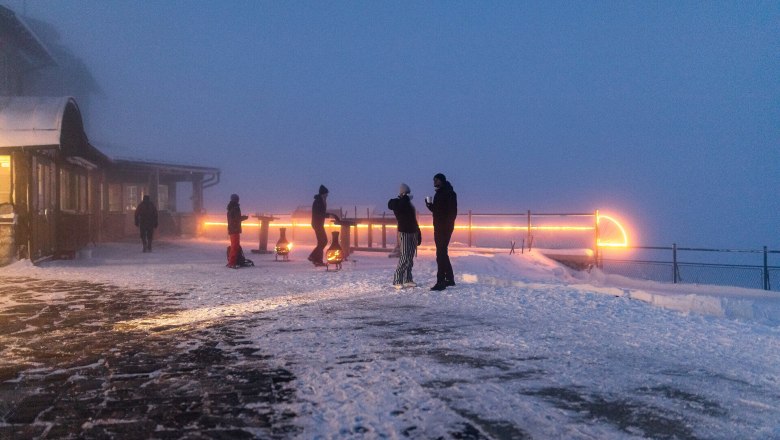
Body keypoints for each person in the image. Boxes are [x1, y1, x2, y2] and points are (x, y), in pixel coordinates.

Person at [425, 173, 457, 291]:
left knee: (440, 254)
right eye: (433, 180)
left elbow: (452, 212)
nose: (434, 182)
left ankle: (441, 282)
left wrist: (447, 226)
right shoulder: (439, 193)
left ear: (441, 180)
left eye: (436, 180)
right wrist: (429, 205)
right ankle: (449, 278)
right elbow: (438, 211)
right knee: (442, 253)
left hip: (444, 228)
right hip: (439, 227)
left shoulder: (449, 193)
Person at [388, 183, 422, 289]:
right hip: (404, 232)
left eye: (409, 193)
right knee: (404, 256)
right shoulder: (397, 203)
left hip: (413, 232)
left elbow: (414, 220)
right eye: (406, 193)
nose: (408, 195)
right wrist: (404, 198)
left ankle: (408, 279)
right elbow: (396, 206)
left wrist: (418, 233)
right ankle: (397, 279)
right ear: (402, 193)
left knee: (410, 257)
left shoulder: (409, 205)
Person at [308, 185, 339, 266]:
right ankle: (312, 256)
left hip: (318, 224)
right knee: (324, 241)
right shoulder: (318, 201)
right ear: (323, 194)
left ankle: (318, 261)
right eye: (326, 194)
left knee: (321, 242)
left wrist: (331, 215)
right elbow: (320, 213)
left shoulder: (321, 200)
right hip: (317, 224)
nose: (327, 195)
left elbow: (321, 213)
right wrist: (330, 215)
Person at [226, 193, 249, 268]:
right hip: (235, 229)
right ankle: (232, 263)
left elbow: (233, 218)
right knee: (235, 246)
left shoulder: (230, 207)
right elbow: (237, 218)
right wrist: (244, 218)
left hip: (232, 229)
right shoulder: (235, 207)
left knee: (234, 246)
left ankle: (232, 261)